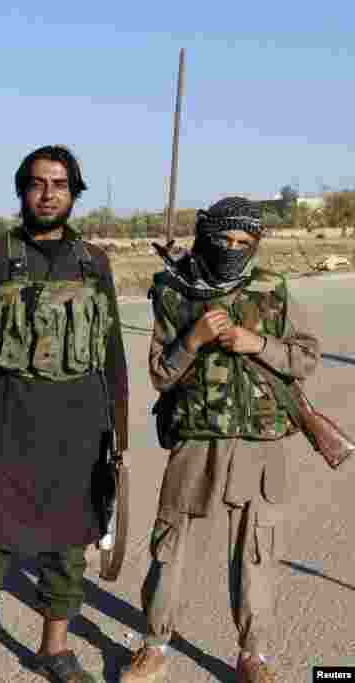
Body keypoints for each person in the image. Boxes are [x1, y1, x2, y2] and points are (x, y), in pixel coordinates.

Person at [0, 145, 129, 683]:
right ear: (22, 190)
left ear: (73, 193)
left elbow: (112, 355)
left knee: (68, 545)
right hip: (2, 426)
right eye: (37, 183)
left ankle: (54, 650)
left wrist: (119, 436)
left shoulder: (94, 262)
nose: (47, 193)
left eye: (59, 184)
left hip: (80, 430)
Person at [120, 197, 320, 683]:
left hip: (260, 444)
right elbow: (160, 375)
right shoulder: (174, 292)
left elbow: (307, 359)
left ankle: (254, 657)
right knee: (173, 545)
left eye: (243, 243)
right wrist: (191, 339)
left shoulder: (272, 288)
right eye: (222, 241)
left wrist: (257, 344)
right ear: (204, 239)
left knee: (256, 551)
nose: (232, 250)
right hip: (197, 438)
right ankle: (154, 645)